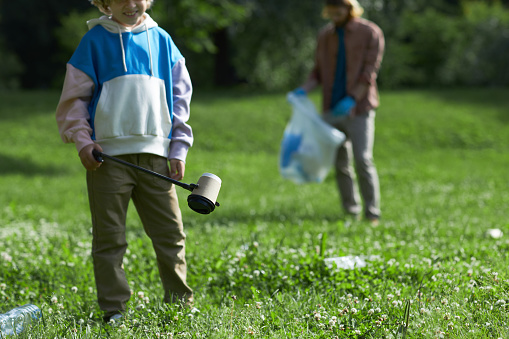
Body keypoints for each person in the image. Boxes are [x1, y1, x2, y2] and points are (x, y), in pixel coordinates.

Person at [56, 0, 194, 322]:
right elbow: (75, 100)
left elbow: (180, 96)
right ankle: (114, 310)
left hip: (157, 158)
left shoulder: (162, 40)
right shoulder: (93, 42)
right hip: (107, 160)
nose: (131, 4)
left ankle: (180, 305)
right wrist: (82, 141)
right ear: (105, 3)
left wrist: (179, 146)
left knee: (171, 235)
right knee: (110, 239)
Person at [294, 0, 384, 225]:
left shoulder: (370, 33)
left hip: (359, 109)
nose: (334, 15)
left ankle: (372, 213)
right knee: (340, 163)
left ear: (350, 8)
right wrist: (304, 89)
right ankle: (350, 210)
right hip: (331, 109)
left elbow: (369, 73)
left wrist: (353, 97)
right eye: (331, 11)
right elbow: (318, 71)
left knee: (363, 160)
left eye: (339, 10)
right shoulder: (325, 36)